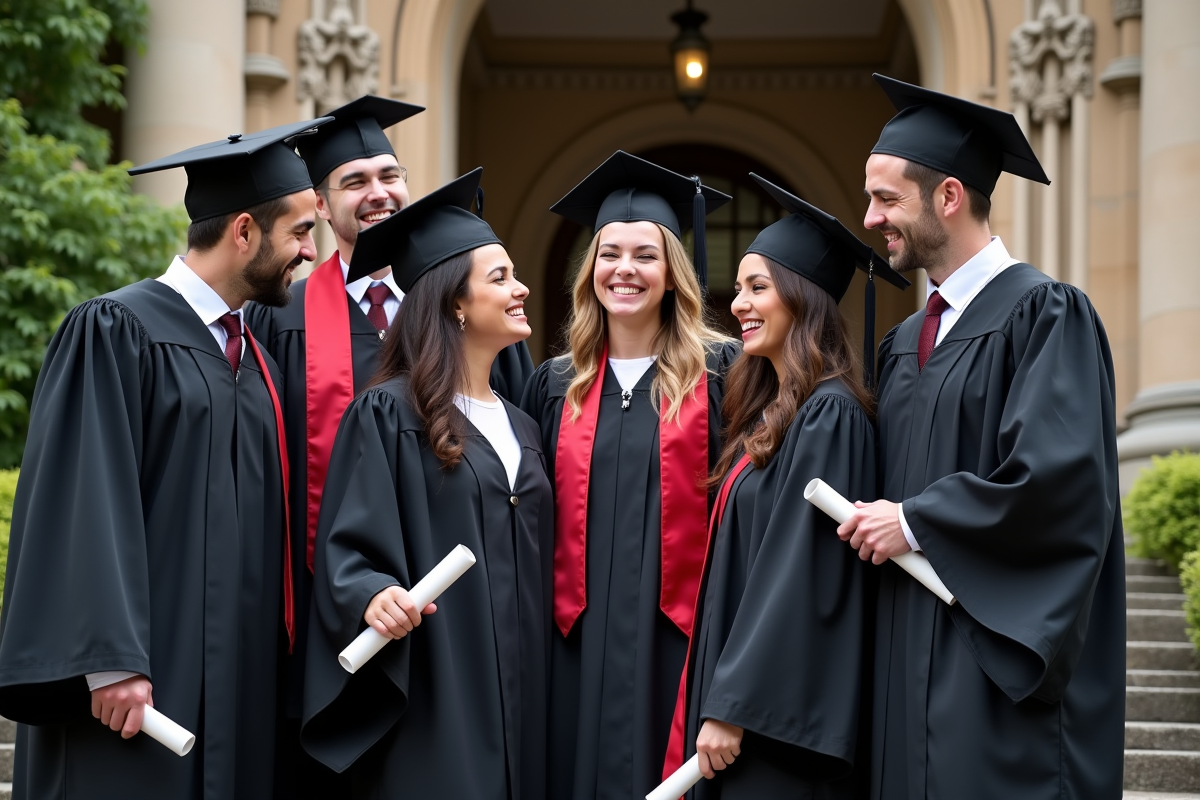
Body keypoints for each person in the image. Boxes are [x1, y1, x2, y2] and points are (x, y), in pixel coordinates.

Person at [0, 118, 331, 799]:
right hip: (137, 687)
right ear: (244, 231)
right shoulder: (115, 330)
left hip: (238, 691)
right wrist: (108, 659)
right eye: (300, 232)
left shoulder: (259, 365)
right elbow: (83, 496)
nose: (309, 252)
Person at [841, 74, 1126, 799]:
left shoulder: (1045, 315)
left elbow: (1057, 483)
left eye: (886, 199)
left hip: (990, 672)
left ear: (948, 196)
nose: (870, 219)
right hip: (903, 663)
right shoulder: (904, 340)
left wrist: (916, 520)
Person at [300, 169, 550, 800]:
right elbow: (348, 543)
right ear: (455, 304)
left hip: (530, 688)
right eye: (500, 278)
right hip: (440, 680)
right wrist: (372, 593)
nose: (520, 289)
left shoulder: (523, 424)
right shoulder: (387, 413)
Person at [673, 175, 909, 800]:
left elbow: (801, 569)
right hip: (747, 704)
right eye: (739, 288)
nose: (738, 304)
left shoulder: (831, 414)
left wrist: (735, 705)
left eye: (758, 287)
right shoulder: (776, 413)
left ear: (803, 300)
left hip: (774, 721)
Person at [520, 150, 738, 800]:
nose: (625, 269)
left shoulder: (722, 375)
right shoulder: (555, 383)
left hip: (681, 636)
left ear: (673, 275)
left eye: (646, 255)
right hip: (573, 640)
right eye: (610, 254)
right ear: (590, 271)